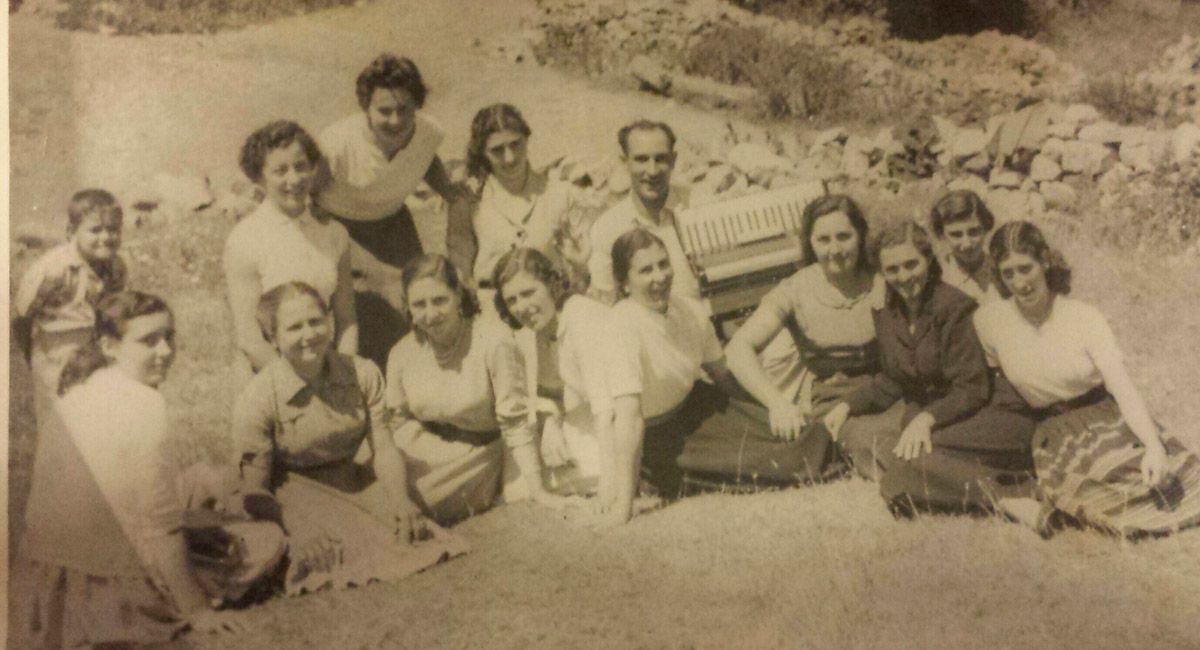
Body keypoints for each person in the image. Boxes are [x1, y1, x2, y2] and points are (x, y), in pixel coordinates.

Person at [12, 291, 286, 647]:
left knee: (205, 478)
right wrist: (197, 610)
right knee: (267, 539)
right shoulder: (144, 404)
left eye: (168, 337)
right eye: (148, 341)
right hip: (107, 592)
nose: (165, 351)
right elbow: (161, 528)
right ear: (110, 346)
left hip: (42, 587)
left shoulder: (74, 388)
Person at [230, 282, 466, 595]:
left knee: (412, 530)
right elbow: (254, 490)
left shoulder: (362, 372)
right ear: (272, 338)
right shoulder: (258, 398)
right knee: (332, 549)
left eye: (316, 321)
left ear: (329, 320)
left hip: (350, 479)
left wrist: (400, 499)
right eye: (294, 327)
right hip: (290, 492)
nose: (309, 335)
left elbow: (383, 445)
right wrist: (294, 524)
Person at [974, 221, 1200, 536]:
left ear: (1045, 261)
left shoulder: (1083, 316)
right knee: (1102, 497)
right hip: (1055, 432)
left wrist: (1153, 446)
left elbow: (1122, 387)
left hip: (1106, 420)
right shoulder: (990, 322)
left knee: (1166, 477)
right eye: (1008, 273)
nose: (1019, 282)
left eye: (1026, 269)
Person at [822, 220, 1037, 516]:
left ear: (928, 260)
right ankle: (933, 476)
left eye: (912, 264)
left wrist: (926, 419)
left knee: (910, 461)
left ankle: (1007, 498)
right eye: (892, 269)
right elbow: (894, 379)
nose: (904, 277)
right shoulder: (886, 311)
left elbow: (973, 388)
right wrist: (847, 405)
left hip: (983, 412)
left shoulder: (956, 308)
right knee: (856, 433)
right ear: (882, 272)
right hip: (932, 417)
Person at [602, 229, 813, 524]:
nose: (660, 276)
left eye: (663, 264)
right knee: (774, 464)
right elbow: (628, 417)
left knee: (796, 434)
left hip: (698, 406)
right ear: (624, 282)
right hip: (657, 435)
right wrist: (622, 509)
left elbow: (723, 375)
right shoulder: (620, 324)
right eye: (646, 270)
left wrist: (768, 410)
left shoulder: (688, 309)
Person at [385, 254, 570, 522]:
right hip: (420, 447)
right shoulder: (401, 353)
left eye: (440, 300)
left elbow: (516, 422)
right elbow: (397, 422)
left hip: (475, 455)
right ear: (408, 306)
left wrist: (537, 490)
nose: (431, 314)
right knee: (370, 491)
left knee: (399, 509)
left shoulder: (493, 341)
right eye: (419, 304)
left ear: (458, 296)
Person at [317, 53, 466, 369]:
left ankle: (423, 375)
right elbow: (307, 190)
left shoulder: (428, 132)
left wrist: (448, 191)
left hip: (393, 221)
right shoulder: (337, 144)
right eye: (384, 111)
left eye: (405, 110)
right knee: (366, 311)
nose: (396, 121)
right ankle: (372, 385)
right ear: (365, 108)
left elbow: (426, 157)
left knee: (415, 299)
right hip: (342, 226)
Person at [725, 194, 887, 479]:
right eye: (823, 240)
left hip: (886, 392)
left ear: (860, 236)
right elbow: (738, 348)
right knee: (867, 441)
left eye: (844, 236)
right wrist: (777, 403)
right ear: (809, 243)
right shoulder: (796, 289)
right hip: (833, 401)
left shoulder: (883, 278)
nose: (834, 249)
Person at [224, 120, 357, 387]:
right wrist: (302, 386)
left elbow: (347, 320)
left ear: (313, 168)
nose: (293, 180)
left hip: (327, 371)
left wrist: (341, 375)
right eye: (280, 171)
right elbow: (249, 338)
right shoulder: (244, 239)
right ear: (259, 178)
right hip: (267, 377)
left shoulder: (334, 233)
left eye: (301, 166)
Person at [493, 247, 611, 496]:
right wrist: (551, 425)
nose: (522, 307)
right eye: (511, 300)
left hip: (617, 416)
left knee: (547, 477)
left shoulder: (580, 316)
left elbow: (606, 405)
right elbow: (549, 393)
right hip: (584, 416)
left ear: (552, 285)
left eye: (528, 293)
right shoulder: (536, 333)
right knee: (517, 481)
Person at [448, 103, 589, 292]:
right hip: (492, 307)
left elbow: (585, 268)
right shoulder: (469, 201)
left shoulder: (560, 193)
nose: (509, 158)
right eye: (497, 150)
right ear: (482, 152)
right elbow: (462, 275)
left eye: (516, 144)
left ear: (527, 139)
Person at [13, 189, 127, 395]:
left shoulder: (117, 266)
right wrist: (33, 363)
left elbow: (114, 312)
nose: (106, 237)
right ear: (71, 232)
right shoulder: (54, 270)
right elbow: (22, 318)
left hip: (95, 354)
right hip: (54, 356)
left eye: (113, 229)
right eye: (95, 230)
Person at [586, 119, 699, 305]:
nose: (652, 171)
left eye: (661, 159)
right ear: (625, 162)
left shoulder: (698, 205)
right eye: (641, 159)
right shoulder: (607, 228)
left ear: (673, 160)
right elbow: (604, 304)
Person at [929, 189, 1001, 303]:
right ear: (942, 235)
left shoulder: (1002, 270)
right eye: (956, 235)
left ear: (985, 227)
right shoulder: (937, 278)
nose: (967, 244)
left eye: (974, 232)